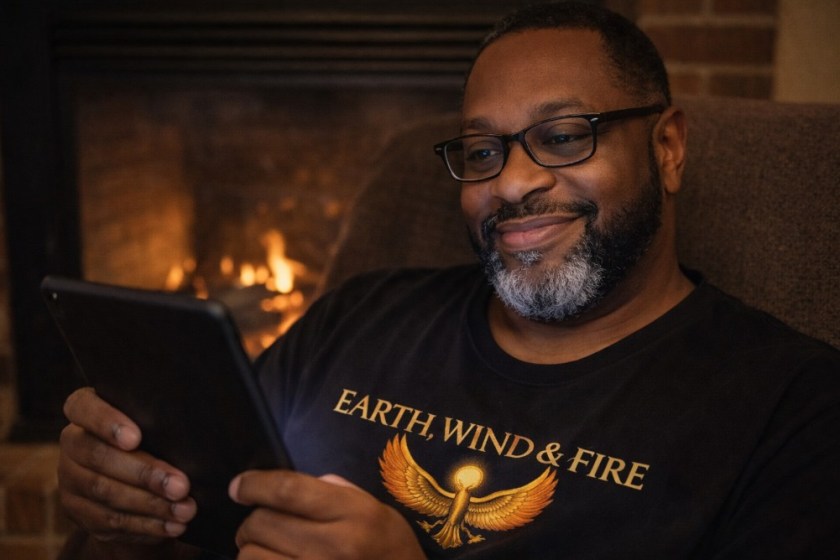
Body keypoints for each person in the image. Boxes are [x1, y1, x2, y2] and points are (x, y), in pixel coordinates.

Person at [57, 2, 840, 559]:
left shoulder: (793, 405)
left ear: (667, 149)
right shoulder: (363, 313)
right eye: (482, 151)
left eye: (564, 136)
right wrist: (120, 518)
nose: (511, 184)